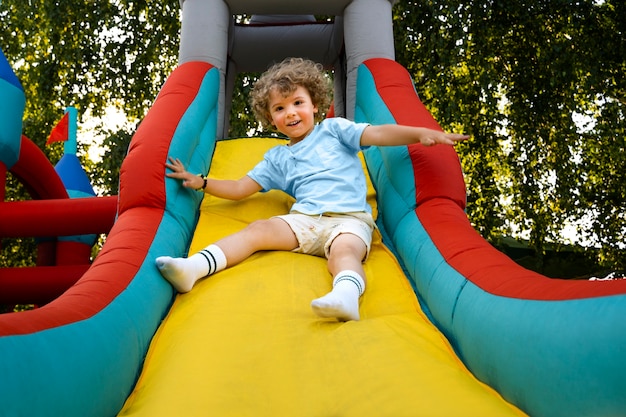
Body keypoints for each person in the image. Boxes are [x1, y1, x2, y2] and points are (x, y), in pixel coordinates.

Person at [156, 57, 468, 321]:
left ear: (315, 105)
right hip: (305, 220)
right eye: (279, 108)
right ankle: (194, 268)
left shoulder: (335, 130)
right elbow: (240, 188)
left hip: (349, 220)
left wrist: (419, 133)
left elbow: (378, 134)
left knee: (345, 253)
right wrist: (202, 182)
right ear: (270, 119)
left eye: (297, 103)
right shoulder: (278, 157)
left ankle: (345, 296)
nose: (290, 113)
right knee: (259, 230)